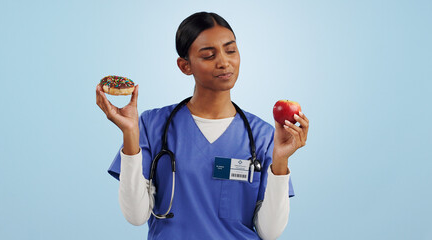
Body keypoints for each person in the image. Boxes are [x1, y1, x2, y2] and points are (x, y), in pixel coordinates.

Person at [96, 12, 309, 240]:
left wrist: (281, 160)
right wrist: (129, 133)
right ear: (185, 66)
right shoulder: (152, 125)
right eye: (208, 55)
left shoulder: (264, 135)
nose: (224, 62)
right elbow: (136, 216)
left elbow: (270, 232)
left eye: (230, 50)